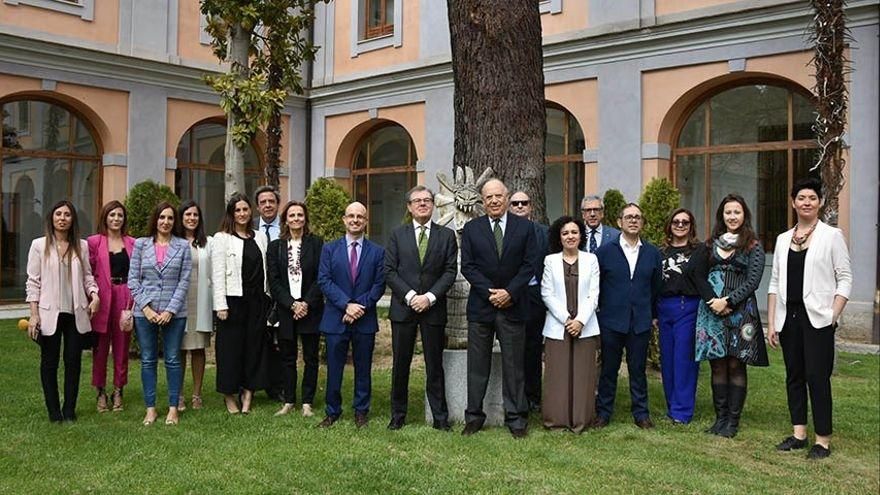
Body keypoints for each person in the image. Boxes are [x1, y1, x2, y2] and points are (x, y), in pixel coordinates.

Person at [767, 177, 852, 459]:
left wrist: (833, 314)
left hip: (818, 319)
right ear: (793, 203)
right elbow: (774, 282)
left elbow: (845, 278)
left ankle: (822, 440)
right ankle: (799, 434)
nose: (806, 202)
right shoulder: (783, 239)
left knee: (817, 377)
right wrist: (772, 322)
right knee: (794, 375)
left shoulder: (832, 236)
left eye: (812, 198)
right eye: (801, 198)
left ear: (820, 202)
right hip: (788, 318)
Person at [460, 178, 539, 438]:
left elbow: (529, 264)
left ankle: (516, 418)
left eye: (498, 196)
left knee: (514, 366)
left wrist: (509, 292)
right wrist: (490, 293)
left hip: (513, 306)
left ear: (506, 198)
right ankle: (474, 417)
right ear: (482, 202)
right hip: (481, 308)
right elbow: (468, 266)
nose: (494, 201)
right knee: (477, 365)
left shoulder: (524, 228)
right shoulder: (472, 229)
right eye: (488, 197)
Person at [694, 193, 769, 438]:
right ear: (722, 216)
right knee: (717, 364)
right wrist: (713, 302)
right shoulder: (709, 244)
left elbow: (753, 281)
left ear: (744, 215)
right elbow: (697, 274)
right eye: (728, 212)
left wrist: (727, 301)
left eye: (737, 212)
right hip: (711, 312)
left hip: (741, 312)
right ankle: (720, 419)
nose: (732, 216)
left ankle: (733, 422)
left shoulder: (753, 245)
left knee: (736, 364)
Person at [385, 186, 457, 431]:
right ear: (409, 206)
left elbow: (450, 271)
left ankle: (440, 417)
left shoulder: (446, 236)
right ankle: (398, 415)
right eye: (417, 201)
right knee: (400, 364)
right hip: (403, 309)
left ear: (433, 205)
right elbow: (389, 271)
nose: (423, 204)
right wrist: (410, 296)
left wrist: (429, 297)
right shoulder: (397, 235)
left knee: (434, 365)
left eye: (427, 200)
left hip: (433, 309)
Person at [26, 200, 100, 422]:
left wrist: (94, 295)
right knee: (49, 362)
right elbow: (33, 282)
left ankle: (69, 410)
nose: (62, 218)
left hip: (75, 313)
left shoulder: (82, 246)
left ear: (72, 219)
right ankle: (54, 412)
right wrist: (34, 314)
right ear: (51, 217)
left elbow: (88, 276)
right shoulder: (39, 245)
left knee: (73, 361)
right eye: (58, 214)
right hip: (49, 313)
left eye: (67, 214)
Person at [316, 202, 385, 428]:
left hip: (364, 320)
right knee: (334, 369)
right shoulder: (329, 249)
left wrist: (358, 308)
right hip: (336, 318)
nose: (355, 220)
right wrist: (346, 305)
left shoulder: (377, 252)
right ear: (344, 220)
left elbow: (378, 285)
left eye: (360, 217)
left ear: (365, 221)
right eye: (351, 216)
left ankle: (361, 411)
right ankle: (332, 411)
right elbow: (324, 280)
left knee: (363, 368)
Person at [593, 203, 662, 429]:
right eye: (629, 217)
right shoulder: (604, 252)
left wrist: (652, 315)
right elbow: (596, 286)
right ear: (619, 222)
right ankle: (603, 413)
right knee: (609, 369)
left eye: (637, 217)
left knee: (638, 370)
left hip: (640, 321)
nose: (633, 220)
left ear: (642, 223)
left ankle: (641, 414)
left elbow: (656, 288)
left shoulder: (652, 253)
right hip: (611, 321)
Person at [128, 201, 192, 426]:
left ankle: (173, 408)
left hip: (174, 313)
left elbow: (184, 281)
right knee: (148, 360)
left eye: (170, 218)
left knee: (173, 359)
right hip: (144, 312)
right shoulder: (141, 244)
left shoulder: (183, 246)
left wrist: (170, 310)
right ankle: (151, 409)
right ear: (155, 220)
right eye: (162, 217)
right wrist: (146, 308)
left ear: (175, 222)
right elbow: (133, 279)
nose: (165, 222)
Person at [540, 216, 600, 433]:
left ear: (581, 236)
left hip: (585, 325)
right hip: (559, 325)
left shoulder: (591, 260)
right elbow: (546, 293)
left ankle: (581, 420)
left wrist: (580, 320)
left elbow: (594, 294)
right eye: (565, 233)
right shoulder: (550, 261)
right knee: (558, 374)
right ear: (559, 237)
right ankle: (557, 420)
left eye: (574, 232)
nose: (570, 236)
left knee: (583, 374)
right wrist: (567, 320)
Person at [212, 193, 270, 415]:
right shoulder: (222, 238)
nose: (242, 213)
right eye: (238, 210)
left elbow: (265, 269)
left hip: (257, 302)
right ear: (231, 213)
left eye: (245, 209)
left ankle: (248, 392)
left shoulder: (260, 237)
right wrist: (220, 305)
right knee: (230, 350)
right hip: (232, 301)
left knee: (254, 348)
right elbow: (217, 273)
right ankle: (229, 394)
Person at [266, 200, 324, 418]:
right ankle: (289, 400)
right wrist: (292, 304)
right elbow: (274, 281)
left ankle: (307, 402)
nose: (296, 219)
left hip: (310, 308)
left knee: (311, 357)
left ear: (305, 218)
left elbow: (321, 277)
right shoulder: (276, 247)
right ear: (285, 220)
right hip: (286, 309)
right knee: (287, 357)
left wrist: (305, 303)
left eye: (300, 215)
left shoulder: (316, 244)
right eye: (292, 215)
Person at [656, 208, 709, 424]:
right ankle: (672, 406)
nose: (680, 225)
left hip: (687, 306)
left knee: (683, 360)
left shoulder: (700, 251)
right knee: (667, 359)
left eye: (685, 222)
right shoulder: (661, 252)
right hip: (664, 307)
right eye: (676, 221)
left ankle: (682, 411)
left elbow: (704, 279)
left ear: (691, 226)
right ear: (669, 225)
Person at [87, 200, 135, 413]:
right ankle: (100, 391)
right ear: (105, 217)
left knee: (122, 346)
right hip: (102, 296)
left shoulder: (132, 243)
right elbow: (88, 272)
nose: (116, 219)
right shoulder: (94, 242)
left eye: (120, 215)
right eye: (112, 215)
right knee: (100, 347)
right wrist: (92, 297)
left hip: (125, 295)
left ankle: (118, 390)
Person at [509, 190, 549, 412]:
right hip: (510, 296)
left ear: (531, 206)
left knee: (533, 347)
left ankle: (533, 396)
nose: (520, 206)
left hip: (534, 295)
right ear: (509, 207)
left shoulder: (543, 233)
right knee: (512, 348)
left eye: (524, 203)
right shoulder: (504, 232)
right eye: (515, 203)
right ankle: (514, 396)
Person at [177, 200, 213, 411]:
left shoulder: (207, 242)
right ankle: (179, 394)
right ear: (181, 218)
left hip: (201, 299)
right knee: (179, 348)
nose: (192, 218)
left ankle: (197, 395)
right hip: (179, 300)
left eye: (195, 215)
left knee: (198, 348)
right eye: (188, 214)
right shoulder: (174, 241)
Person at [253, 185, 284, 402]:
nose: (267, 205)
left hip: (281, 292)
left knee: (280, 342)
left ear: (278, 204)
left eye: (271, 201)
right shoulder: (250, 227)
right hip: (256, 292)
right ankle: (253, 383)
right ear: (257, 207)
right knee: (256, 340)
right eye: (263, 202)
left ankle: (278, 386)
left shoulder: (287, 226)